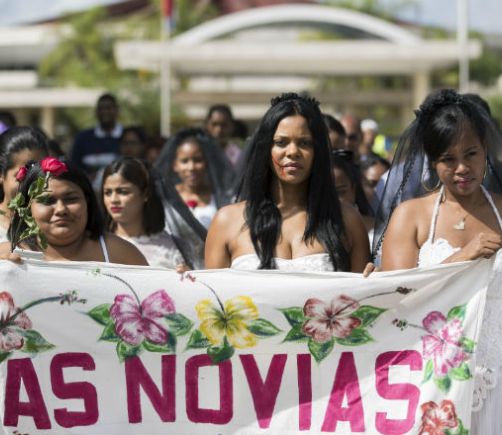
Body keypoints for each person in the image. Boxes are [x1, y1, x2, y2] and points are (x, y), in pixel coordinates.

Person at [375, 89, 502, 433]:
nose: (462, 168)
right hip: (434, 378)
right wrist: (463, 257)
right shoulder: (411, 216)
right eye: (448, 159)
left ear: (485, 150)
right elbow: (397, 299)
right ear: (432, 161)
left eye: (471, 154)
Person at [205, 93, 370, 272]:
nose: (292, 152)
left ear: (318, 151)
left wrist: (375, 279)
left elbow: (361, 289)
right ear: (265, 149)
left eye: (304, 143)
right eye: (281, 142)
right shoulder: (226, 221)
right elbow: (209, 289)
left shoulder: (348, 221)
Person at [0, 158, 147, 265]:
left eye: (71, 199)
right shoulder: (5, 256)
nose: (61, 209)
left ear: (87, 201)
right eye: (47, 201)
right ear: (28, 208)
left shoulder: (121, 254)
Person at [101, 157, 186, 269]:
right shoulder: (97, 244)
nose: (113, 200)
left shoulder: (173, 247)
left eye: (123, 192)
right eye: (107, 192)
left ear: (145, 194)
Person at [155, 127, 234, 230]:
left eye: (198, 160)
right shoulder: (166, 197)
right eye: (184, 161)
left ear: (206, 163)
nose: (191, 167)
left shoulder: (220, 199)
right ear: (175, 165)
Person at [0, 127, 49, 243]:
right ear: (1, 175)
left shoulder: (58, 223)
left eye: (40, 173)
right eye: (23, 175)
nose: (32, 183)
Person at [70, 93, 123, 180]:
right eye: (101, 109)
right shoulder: (82, 138)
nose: (104, 112)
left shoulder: (127, 136)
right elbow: (74, 166)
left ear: (117, 110)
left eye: (108, 108)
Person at [332, 153, 374, 239]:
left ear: (353, 191)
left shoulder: (378, 230)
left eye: (341, 192)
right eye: (325, 194)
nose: (335, 200)